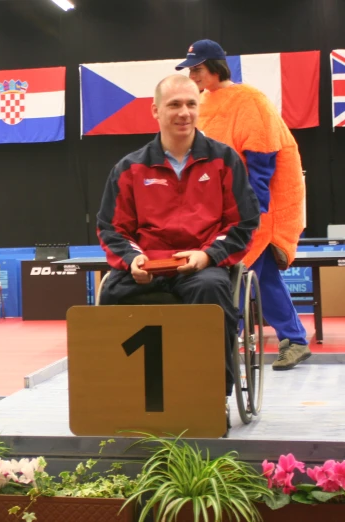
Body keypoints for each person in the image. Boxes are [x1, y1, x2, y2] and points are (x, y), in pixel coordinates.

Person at [96, 74, 260, 405]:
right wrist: (132, 260)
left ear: (199, 108)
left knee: (210, 289)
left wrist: (208, 256)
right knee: (111, 291)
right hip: (147, 267)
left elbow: (243, 222)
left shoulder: (224, 160)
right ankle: (121, 396)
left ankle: (211, 397)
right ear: (155, 111)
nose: (183, 112)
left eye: (190, 104)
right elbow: (112, 228)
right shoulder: (129, 168)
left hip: (201, 267)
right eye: (174, 105)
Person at [176, 39, 311, 371]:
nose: (193, 75)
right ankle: (294, 339)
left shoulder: (250, 99)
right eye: (190, 70)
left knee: (238, 272)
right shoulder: (203, 102)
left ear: (216, 67)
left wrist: (252, 211)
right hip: (225, 204)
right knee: (259, 277)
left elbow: (262, 157)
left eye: (198, 68)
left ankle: (221, 344)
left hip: (259, 203)